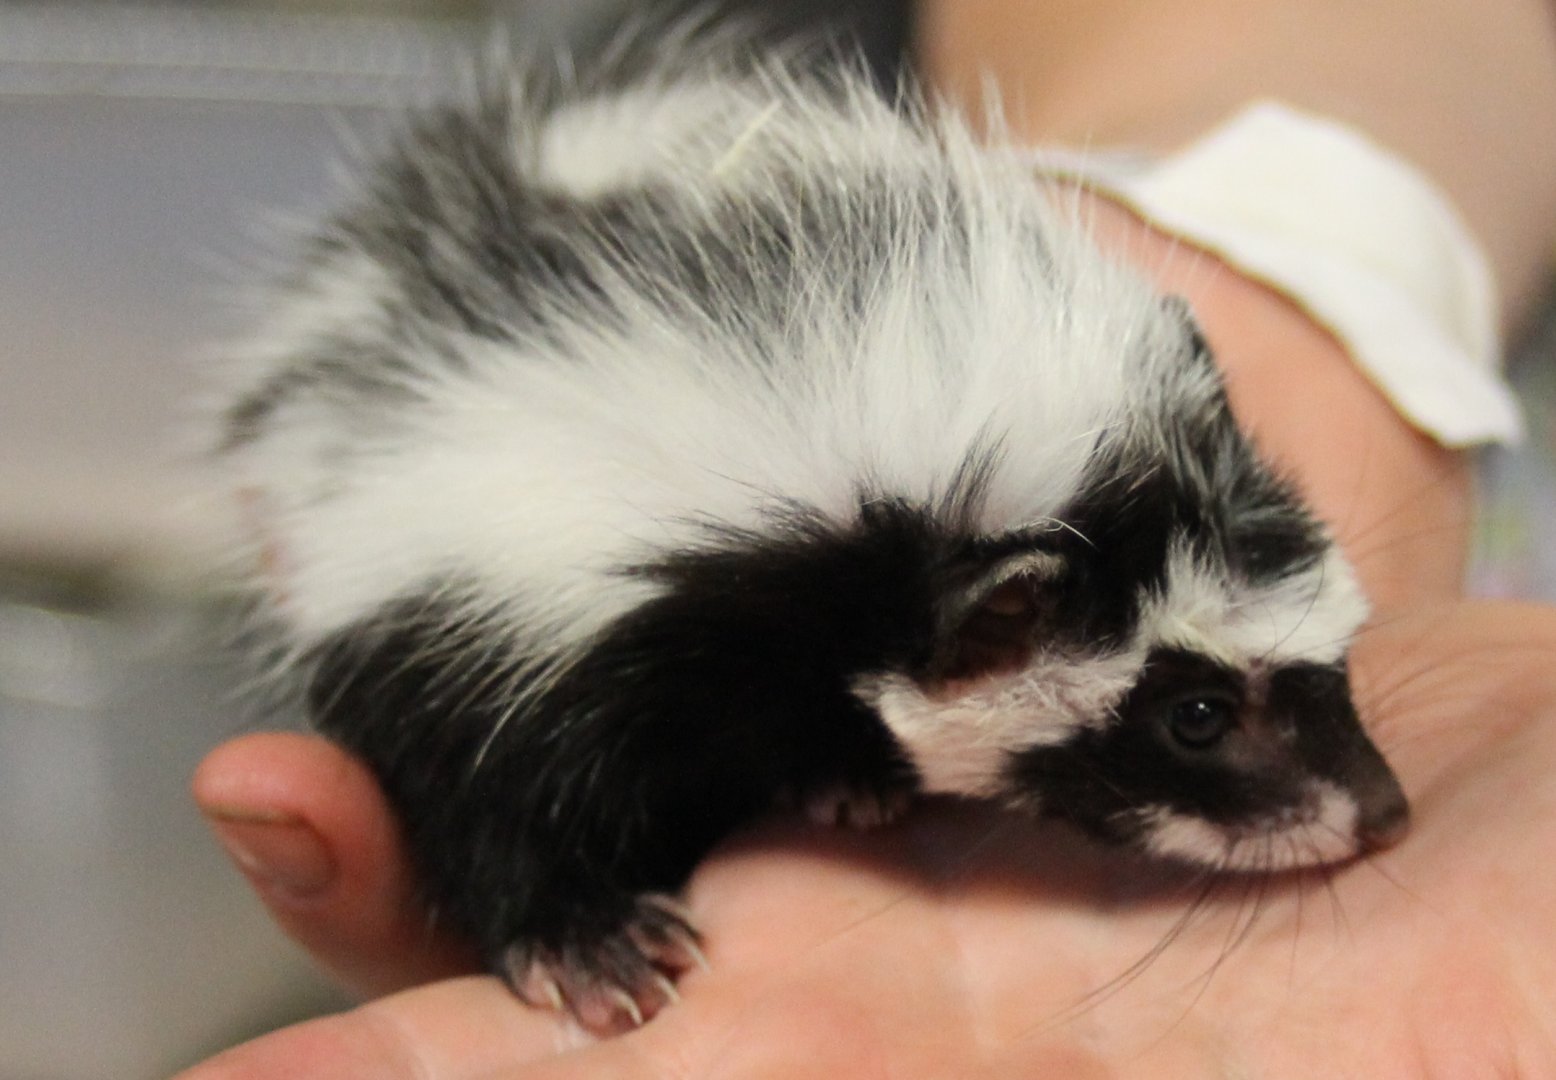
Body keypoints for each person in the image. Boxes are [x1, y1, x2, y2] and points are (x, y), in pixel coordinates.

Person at [177, 0, 1556, 1074]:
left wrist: (1329, 267)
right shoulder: (512, 619)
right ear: (988, 636)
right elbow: (460, 757)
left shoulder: (954, 575)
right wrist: (550, 913)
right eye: (1201, 718)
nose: (1371, 805)